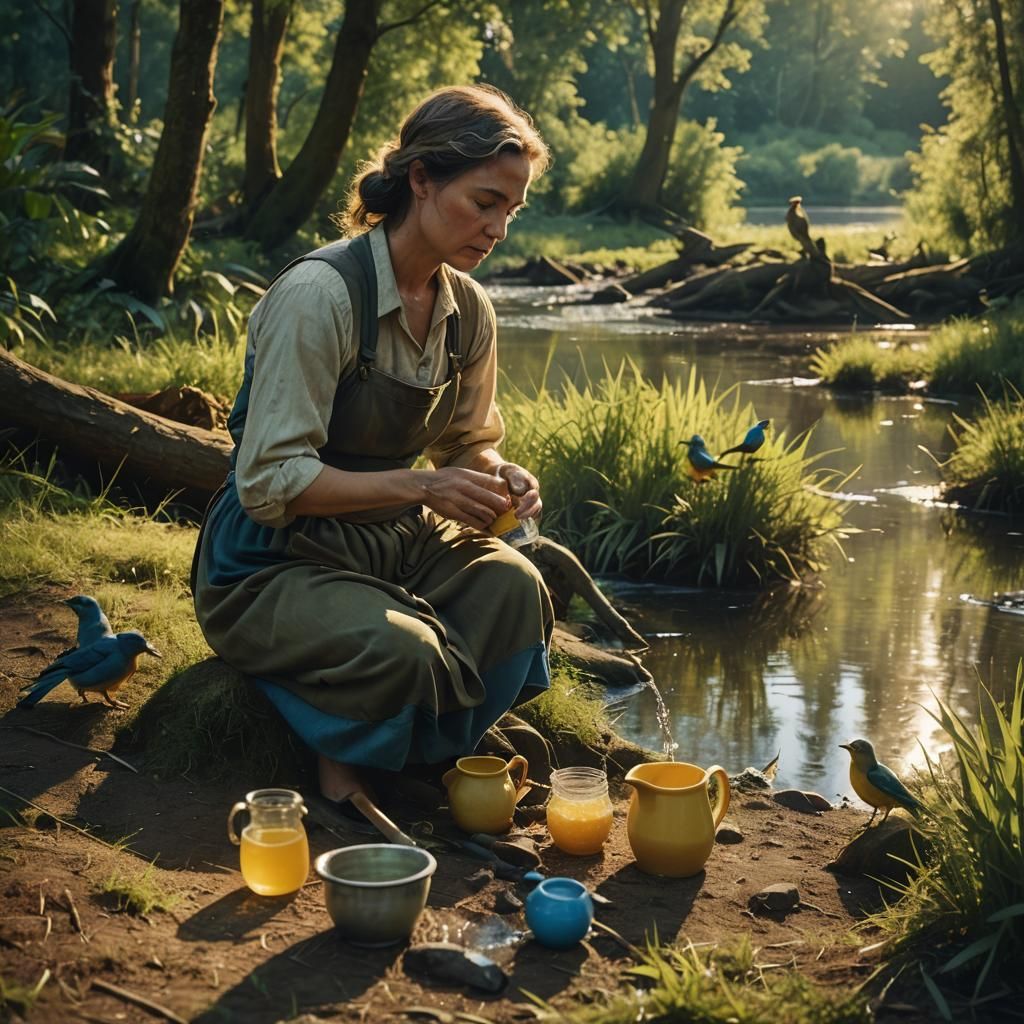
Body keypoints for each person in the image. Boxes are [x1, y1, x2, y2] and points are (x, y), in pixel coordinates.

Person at [192, 85, 554, 805]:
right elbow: (269, 485)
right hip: (271, 559)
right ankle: (339, 761)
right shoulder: (320, 296)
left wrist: (501, 475)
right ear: (421, 179)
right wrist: (422, 488)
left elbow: (465, 449)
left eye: (511, 211)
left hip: (389, 540)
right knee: (402, 647)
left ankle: (416, 753)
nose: (499, 229)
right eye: (485, 202)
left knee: (517, 589)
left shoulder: (469, 311)